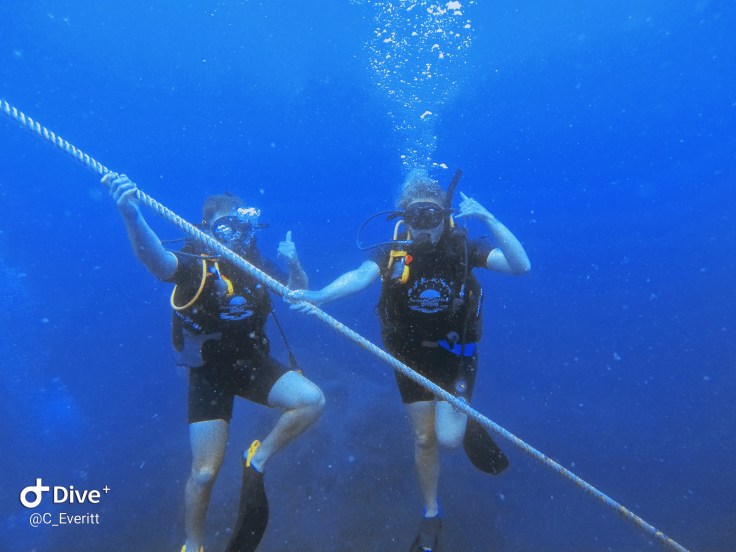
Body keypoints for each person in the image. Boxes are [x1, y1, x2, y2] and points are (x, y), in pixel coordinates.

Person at [289, 168, 530, 552]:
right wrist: (320, 295)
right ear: (404, 217)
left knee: (448, 439)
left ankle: (461, 421)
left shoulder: (464, 246)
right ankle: (431, 511)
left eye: (431, 216)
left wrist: (488, 218)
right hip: (409, 356)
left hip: (456, 353)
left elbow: (521, 265)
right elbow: (359, 275)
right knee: (423, 438)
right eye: (414, 217)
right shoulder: (392, 251)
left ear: (445, 215)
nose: (422, 227)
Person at [103, 173, 325, 552]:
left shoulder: (256, 263)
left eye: (240, 226)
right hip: (208, 373)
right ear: (206, 228)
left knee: (311, 400)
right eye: (224, 226)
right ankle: (193, 544)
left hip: (251, 362)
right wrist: (132, 215)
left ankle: (257, 458)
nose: (233, 235)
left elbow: (298, 295)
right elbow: (157, 262)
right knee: (204, 474)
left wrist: (294, 265)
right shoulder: (196, 262)